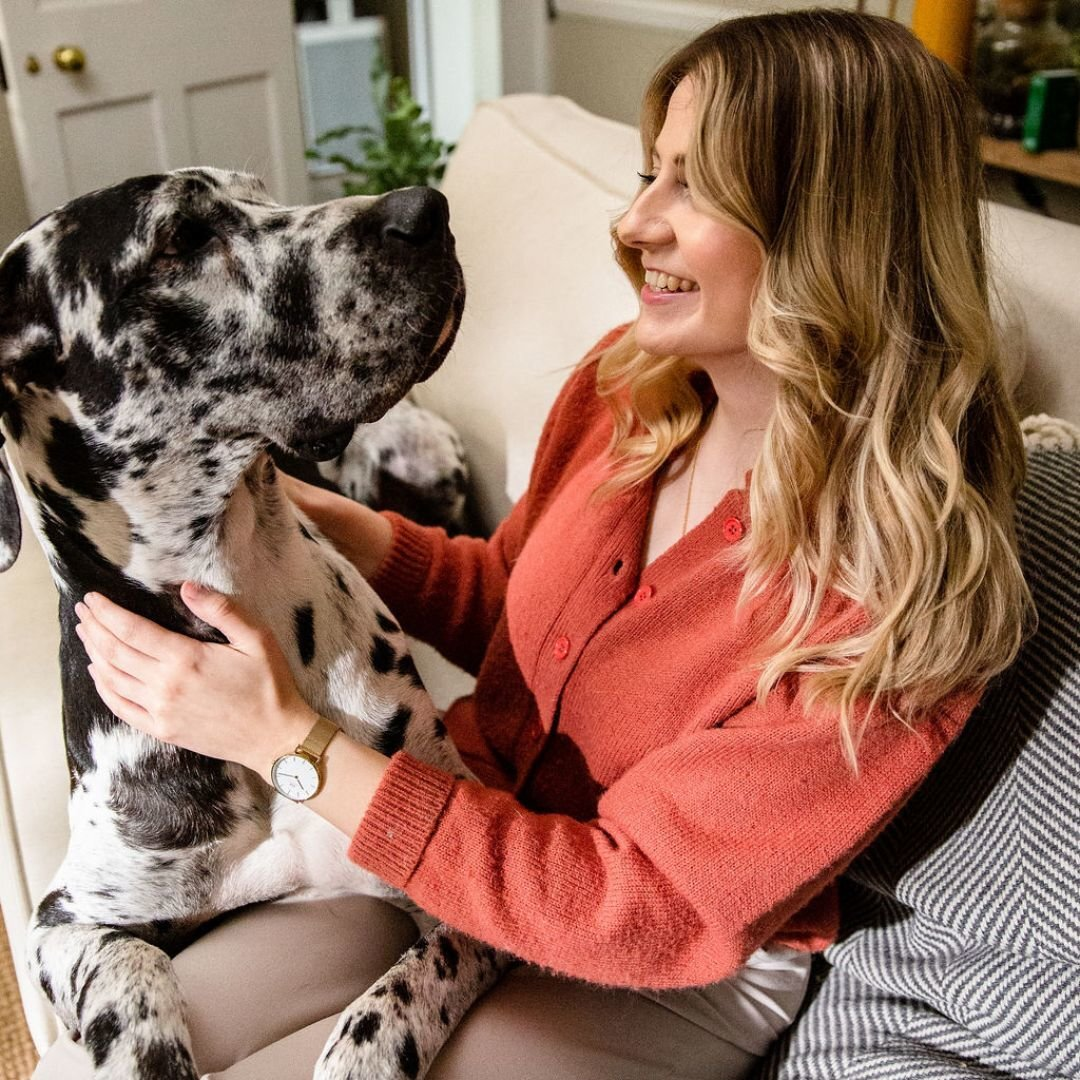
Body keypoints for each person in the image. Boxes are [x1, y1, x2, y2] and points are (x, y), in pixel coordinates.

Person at [54, 9, 1032, 1080]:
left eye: (693, 187)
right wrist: (353, 537)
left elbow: (640, 906)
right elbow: (523, 607)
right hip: (459, 829)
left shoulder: (898, 587)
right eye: (649, 171)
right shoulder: (633, 385)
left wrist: (294, 746)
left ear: (831, 229)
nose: (634, 222)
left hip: (662, 963)